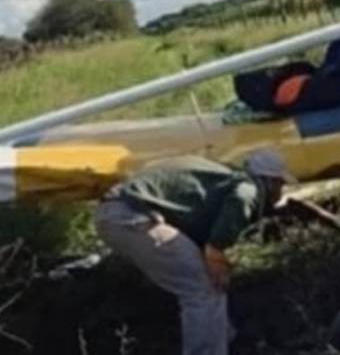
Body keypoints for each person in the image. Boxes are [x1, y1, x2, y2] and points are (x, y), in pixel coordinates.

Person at [94, 149, 294, 355]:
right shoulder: (249, 187)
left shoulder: (217, 177)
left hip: (114, 215)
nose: (281, 192)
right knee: (204, 289)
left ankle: (226, 339)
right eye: (281, 184)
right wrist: (216, 251)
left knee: (199, 279)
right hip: (134, 217)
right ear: (270, 182)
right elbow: (243, 198)